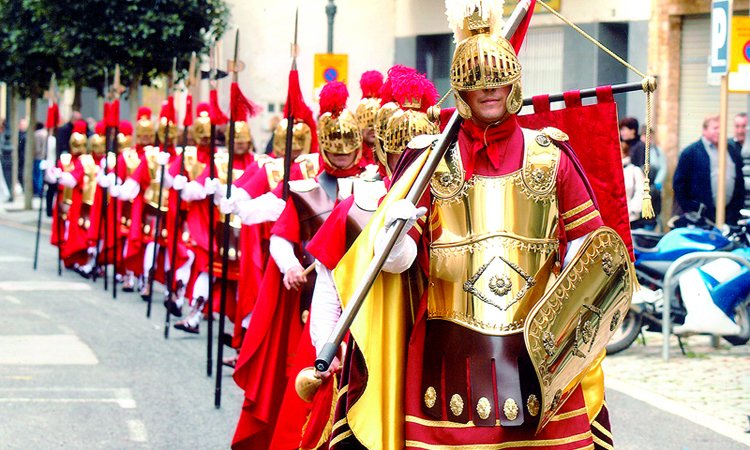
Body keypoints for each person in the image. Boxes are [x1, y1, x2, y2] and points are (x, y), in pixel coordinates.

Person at [325, 3, 631, 448]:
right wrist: (391, 231)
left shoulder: (552, 156)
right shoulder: (429, 159)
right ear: (461, 91)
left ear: (514, 83)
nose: (490, 90)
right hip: (449, 353)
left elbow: (591, 255)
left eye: (498, 80)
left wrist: (568, 328)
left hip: (538, 354)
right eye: (477, 83)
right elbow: (399, 263)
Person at [673, 114, 746, 225]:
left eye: (722, 128)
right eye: (715, 128)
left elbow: (739, 183)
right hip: (701, 218)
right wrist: (691, 209)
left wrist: (736, 210)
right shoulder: (691, 152)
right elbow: (679, 185)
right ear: (704, 130)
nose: (719, 131)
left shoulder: (732, 150)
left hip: (729, 218)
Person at [621, 141, 645, 227]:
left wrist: (633, 209)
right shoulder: (610, 171)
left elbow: (641, 191)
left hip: (631, 218)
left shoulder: (634, 171)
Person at [33, 122, 47, 196]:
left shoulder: (37, 134)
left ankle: (38, 191)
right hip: (44, 157)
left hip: (38, 157)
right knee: (42, 174)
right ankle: (41, 190)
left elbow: (37, 148)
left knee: (37, 174)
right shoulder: (46, 133)